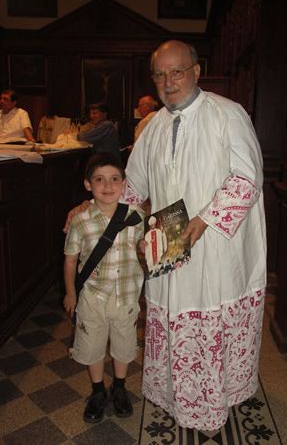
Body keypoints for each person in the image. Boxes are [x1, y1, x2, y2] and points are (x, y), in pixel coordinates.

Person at [65, 39, 267, 431]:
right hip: (168, 242)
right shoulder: (153, 126)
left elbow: (247, 178)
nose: (168, 81)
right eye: (160, 74)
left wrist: (205, 220)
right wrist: (90, 208)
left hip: (216, 244)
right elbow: (133, 186)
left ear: (195, 72)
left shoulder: (228, 114)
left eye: (176, 71)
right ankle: (177, 393)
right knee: (173, 311)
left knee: (210, 308)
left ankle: (215, 398)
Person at [63, 152, 144, 424]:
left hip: (127, 295)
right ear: (88, 185)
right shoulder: (81, 219)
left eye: (114, 179)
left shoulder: (136, 217)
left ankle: (119, 387)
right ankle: (98, 390)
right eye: (99, 180)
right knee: (92, 344)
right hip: (92, 298)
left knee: (123, 344)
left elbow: (145, 247)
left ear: (124, 184)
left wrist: (148, 247)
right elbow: (71, 259)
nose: (107, 186)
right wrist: (71, 293)